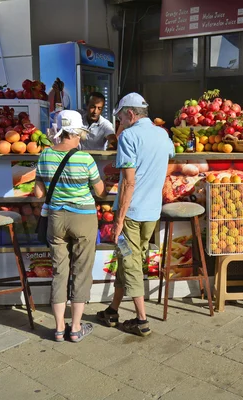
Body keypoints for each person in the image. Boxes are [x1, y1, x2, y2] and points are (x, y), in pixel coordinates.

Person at [97, 93, 175, 337]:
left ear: (130, 114)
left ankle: (142, 320)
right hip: (152, 211)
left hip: (131, 213)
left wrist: (119, 220)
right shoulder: (163, 134)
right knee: (129, 257)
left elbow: (128, 184)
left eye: (120, 116)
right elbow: (170, 156)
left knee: (130, 261)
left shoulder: (129, 136)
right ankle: (113, 309)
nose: (119, 121)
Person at [35, 110, 107, 342]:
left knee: (59, 271)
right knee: (81, 271)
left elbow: (38, 193)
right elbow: (100, 191)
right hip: (83, 218)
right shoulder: (85, 159)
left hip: (56, 218)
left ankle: (58, 328)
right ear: (77, 133)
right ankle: (75, 328)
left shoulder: (45, 155)